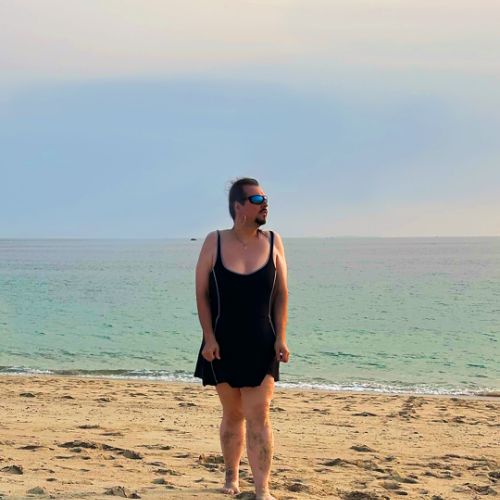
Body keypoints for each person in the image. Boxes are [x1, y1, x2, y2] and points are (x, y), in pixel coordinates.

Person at [194, 177, 290, 500]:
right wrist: (208, 337)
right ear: (238, 207)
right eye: (257, 199)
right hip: (221, 343)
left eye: (266, 198)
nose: (265, 204)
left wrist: (281, 338)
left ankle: (262, 488)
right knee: (233, 414)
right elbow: (202, 294)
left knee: (259, 414)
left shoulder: (274, 241)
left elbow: (282, 294)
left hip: (263, 341)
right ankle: (231, 477)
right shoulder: (214, 242)